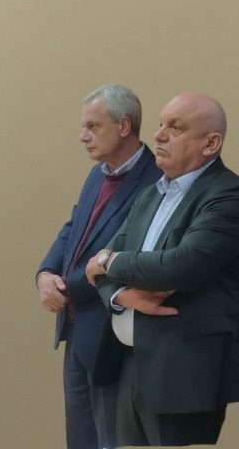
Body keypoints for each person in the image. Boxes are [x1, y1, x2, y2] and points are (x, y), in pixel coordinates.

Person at [85, 92, 239, 446]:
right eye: (160, 124)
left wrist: (109, 262)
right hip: (130, 361)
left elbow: (179, 266)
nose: (158, 135)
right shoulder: (150, 195)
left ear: (211, 143)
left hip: (182, 371)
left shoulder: (227, 195)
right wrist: (121, 296)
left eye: (176, 127)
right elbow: (102, 270)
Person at [37, 84, 161, 449]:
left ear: (123, 126)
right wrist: (45, 274)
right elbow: (72, 226)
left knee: (113, 440)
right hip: (77, 330)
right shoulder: (99, 173)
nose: (83, 136)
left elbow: (121, 257)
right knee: (81, 440)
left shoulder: (155, 181)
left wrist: (66, 289)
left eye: (93, 127)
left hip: (113, 338)